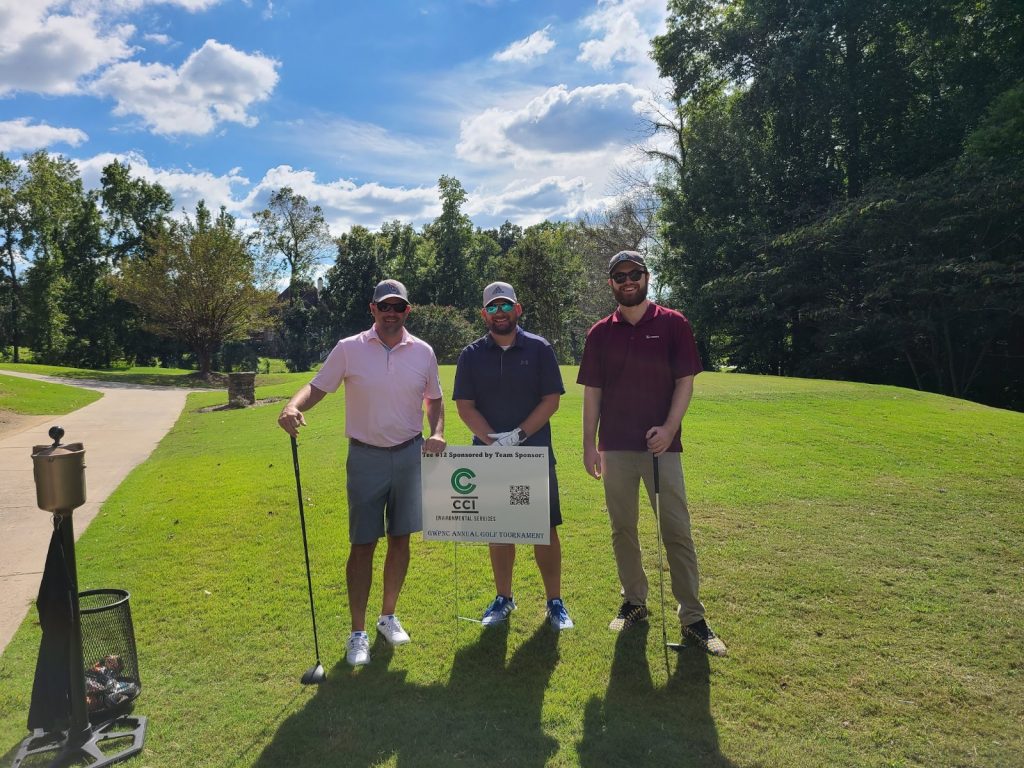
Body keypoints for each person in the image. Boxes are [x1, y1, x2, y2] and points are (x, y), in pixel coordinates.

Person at [278, 279, 446, 667]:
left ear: (408, 310)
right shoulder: (349, 348)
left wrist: (437, 431)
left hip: (409, 454)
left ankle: (388, 615)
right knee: (363, 544)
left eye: (398, 307)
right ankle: (358, 632)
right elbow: (317, 387)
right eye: (384, 306)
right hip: (365, 457)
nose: (391, 313)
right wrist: (292, 406)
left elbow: (434, 399)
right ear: (372, 309)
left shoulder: (423, 351)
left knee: (401, 538)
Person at [577, 251, 727, 656]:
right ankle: (634, 603)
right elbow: (593, 393)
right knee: (622, 529)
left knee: (676, 531)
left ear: (646, 277)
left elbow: (684, 383)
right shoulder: (599, 333)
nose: (628, 281)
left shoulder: (673, 324)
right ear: (611, 283)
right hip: (616, 448)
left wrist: (669, 427)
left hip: (662, 448)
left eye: (635, 274)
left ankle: (693, 618)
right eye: (619, 276)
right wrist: (589, 444)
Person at [452, 281, 574, 631]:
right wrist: (493, 442)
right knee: (499, 527)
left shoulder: (539, 348)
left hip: (533, 453)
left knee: (544, 528)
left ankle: (555, 601)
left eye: (505, 306)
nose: (500, 312)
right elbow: (465, 406)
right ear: (484, 314)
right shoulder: (471, 354)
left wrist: (519, 435)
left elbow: (551, 399)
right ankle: (504, 597)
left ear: (517, 309)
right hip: (491, 457)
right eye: (492, 307)